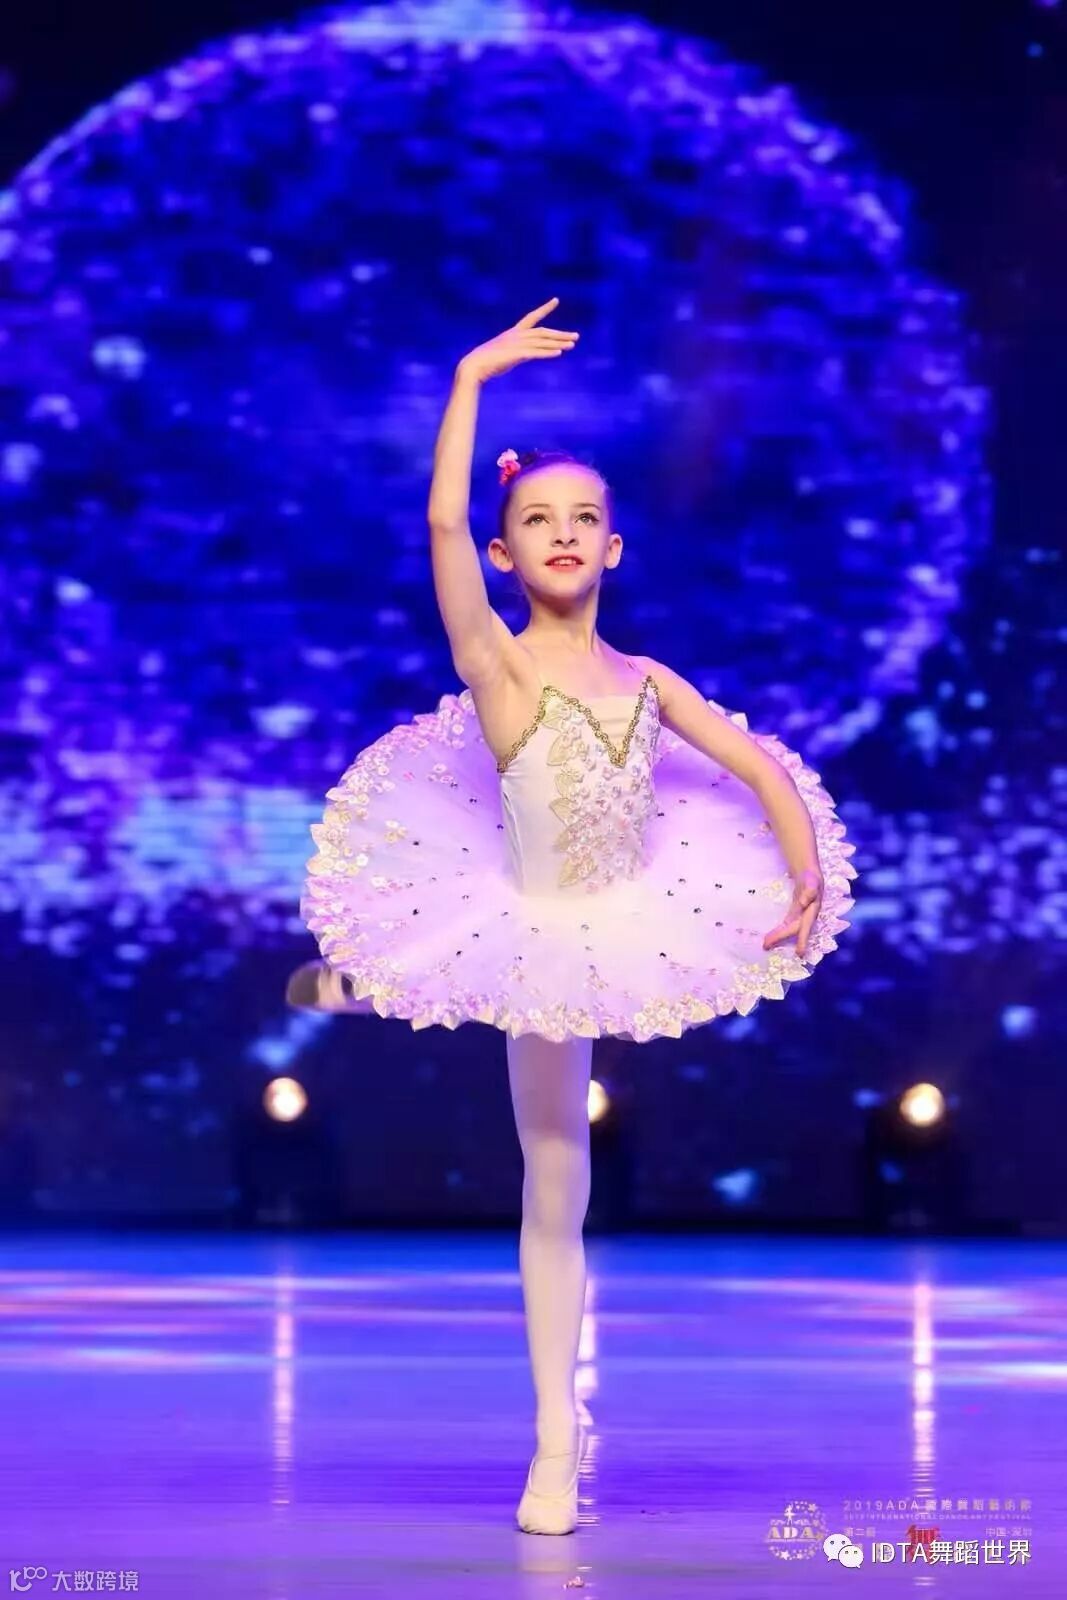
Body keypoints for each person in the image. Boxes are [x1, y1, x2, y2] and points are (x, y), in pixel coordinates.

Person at [289, 296, 858, 1534]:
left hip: (641, 909)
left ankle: (564, 1422)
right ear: (506, 556)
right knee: (550, 1176)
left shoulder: (647, 680)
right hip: (533, 927)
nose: (560, 533)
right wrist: (467, 377)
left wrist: (803, 866)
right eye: (536, 520)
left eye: (582, 517)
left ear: (613, 547)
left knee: (573, 1180)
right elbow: (440, 521)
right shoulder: (496, 666)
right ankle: (555, 1437)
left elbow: (757, 770)